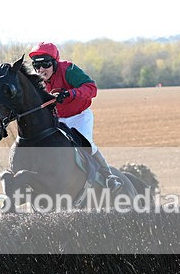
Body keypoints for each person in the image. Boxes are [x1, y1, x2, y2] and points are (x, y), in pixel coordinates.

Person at [28, 42, 123, 192]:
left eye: (45, 64)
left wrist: (70, 93)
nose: (40, 70)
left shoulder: (68, 70)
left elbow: (92, 88)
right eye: (36, 66)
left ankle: (108, 176)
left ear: (54, 63)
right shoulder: (35, 80)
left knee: (86, 144)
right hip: (56, 119)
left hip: (79, 116)